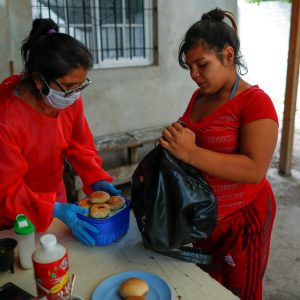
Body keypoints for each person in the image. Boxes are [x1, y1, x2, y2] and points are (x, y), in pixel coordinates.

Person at [159, 8, 278, 300]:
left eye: (201, 64)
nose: (194, 75)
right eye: (189, 68)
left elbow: (254, 169)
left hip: (241, 222)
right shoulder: (200, 96)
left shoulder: (255, 103)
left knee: (240, 292)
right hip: (204, 220)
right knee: (206, 289)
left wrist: (191, 153)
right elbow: (191, 139)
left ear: (227, 55)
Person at [0, 18, 121, 246]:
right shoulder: (7, 118)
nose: (75, 94)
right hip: (13, 213)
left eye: (81, 85)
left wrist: (96, 179)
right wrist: (52, 209)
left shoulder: (67, 100)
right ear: (39, 80)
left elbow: (80, 145)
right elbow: (6, 189)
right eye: (68, 86)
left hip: (56, 200)